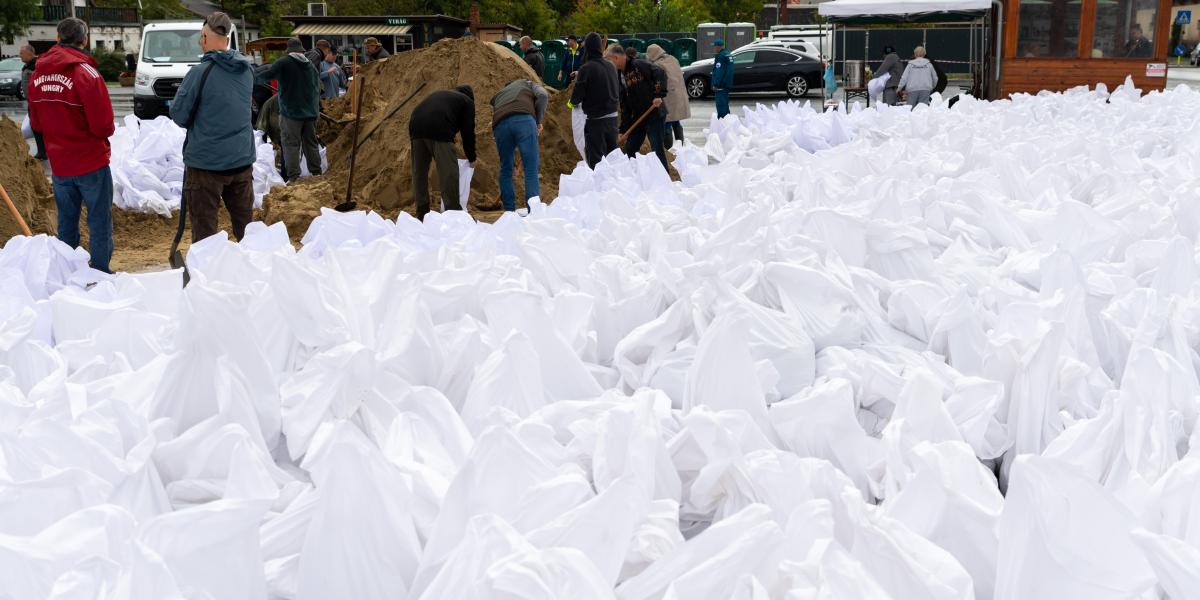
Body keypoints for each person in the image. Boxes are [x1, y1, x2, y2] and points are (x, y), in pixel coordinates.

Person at [28, 17, 115, 273]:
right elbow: (104, 126)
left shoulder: (37, 75)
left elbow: (36, 123)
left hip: (60, 164)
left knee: (67, 221)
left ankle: (67, 271)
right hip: (91, 162)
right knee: (99, 220)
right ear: (84, 39)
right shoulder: (86, 74)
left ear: (57, 38)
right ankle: (99, 273)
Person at [169, 12, 257, 243]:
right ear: (227, 39)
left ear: (204, 38)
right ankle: (254, 270)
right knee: (246, 229)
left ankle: (207, 274)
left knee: (205, 232)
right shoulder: (246, 70)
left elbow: (179, 115)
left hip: (206, 165)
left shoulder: (200, 73)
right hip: (241, 161)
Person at [256, 38, 321, 182]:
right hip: (310, 113)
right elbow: (318, 88)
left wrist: (251, 78)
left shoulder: (284, 62)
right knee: (311, 143)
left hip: (291, 113)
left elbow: (266, 76)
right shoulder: (310, 65)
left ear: (289, 51)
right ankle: (317, 173)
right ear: (301, 51)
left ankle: (293, 177)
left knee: (291, 144)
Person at [408, 85, 477, 220]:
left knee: (419, 172)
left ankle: (422, 213)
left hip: (415, 124)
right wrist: (472, 157)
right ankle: (453, 213)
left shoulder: (442, 95)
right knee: (449, 171)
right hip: (439, 126)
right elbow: (468, 132)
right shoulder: (467, 102)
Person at [490, 79, 548, 212]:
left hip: (499, 126)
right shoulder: (526, 83)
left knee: (505, 170)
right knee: (530, 169)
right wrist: (538, 121)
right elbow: (543, 95)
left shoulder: (499, 95)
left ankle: (509, 212)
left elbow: (509, 128)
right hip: (524, 120)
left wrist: (513, 166)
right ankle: (533, 212)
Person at [609, 45, 668, 171]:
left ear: (616, 57)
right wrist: (623, 130)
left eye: (610, 60)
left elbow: (659, 73)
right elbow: (625, 105)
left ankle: (665, 179)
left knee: (657, 149)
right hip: (639, 118)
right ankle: (636, 175)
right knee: (630, 148)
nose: (610, 64)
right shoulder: (620, 76)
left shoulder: (638, 65)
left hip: (654, 113)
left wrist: (658, 95)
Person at [568, 32, 619, 169]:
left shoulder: (587, 68)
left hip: (596, 122)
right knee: (613, 158)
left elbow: (577, 97)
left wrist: (572, 102)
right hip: (613, 120)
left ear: (588, 48)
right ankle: (615, 187)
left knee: (596, 160)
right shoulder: (611, 66)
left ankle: (600, 189)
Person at [646, 43, 689, 149]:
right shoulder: (673, 59)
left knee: (667, 120)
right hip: (679, 94)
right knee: (676, 119)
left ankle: (667, 148)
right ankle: (680, 144)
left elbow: (657, 81)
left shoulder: (658, 64)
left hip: (668, 96)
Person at [19, 45, 45, 160]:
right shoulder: (28, 65)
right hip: (32, 102)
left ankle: (43, 152)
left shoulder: (36, 66)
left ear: (29, 53)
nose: (20, 56)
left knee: (37, 127)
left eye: (22, 53)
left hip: (37, 103)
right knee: (35, 127)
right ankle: (42, 151)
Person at [711, 39, 733, 119]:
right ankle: (728, 120)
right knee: (725, 104)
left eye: (715, 46)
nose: (714, 48)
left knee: (721, 105)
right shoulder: (728, 55)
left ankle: (722, 122)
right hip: (726, 84)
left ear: (718, 47)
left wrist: (715, 84)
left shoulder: (721, 56)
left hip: (720, 85)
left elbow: (719, 71)